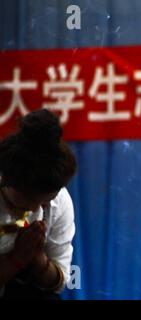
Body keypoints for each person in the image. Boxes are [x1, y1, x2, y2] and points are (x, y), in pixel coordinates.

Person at [0, 109, 77, 299]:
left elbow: (61, 281)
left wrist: (38, 261)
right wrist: (15, 259)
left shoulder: (60, 201)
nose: (36, 209)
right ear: (9, 182)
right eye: (29, 200)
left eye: (46, 202)